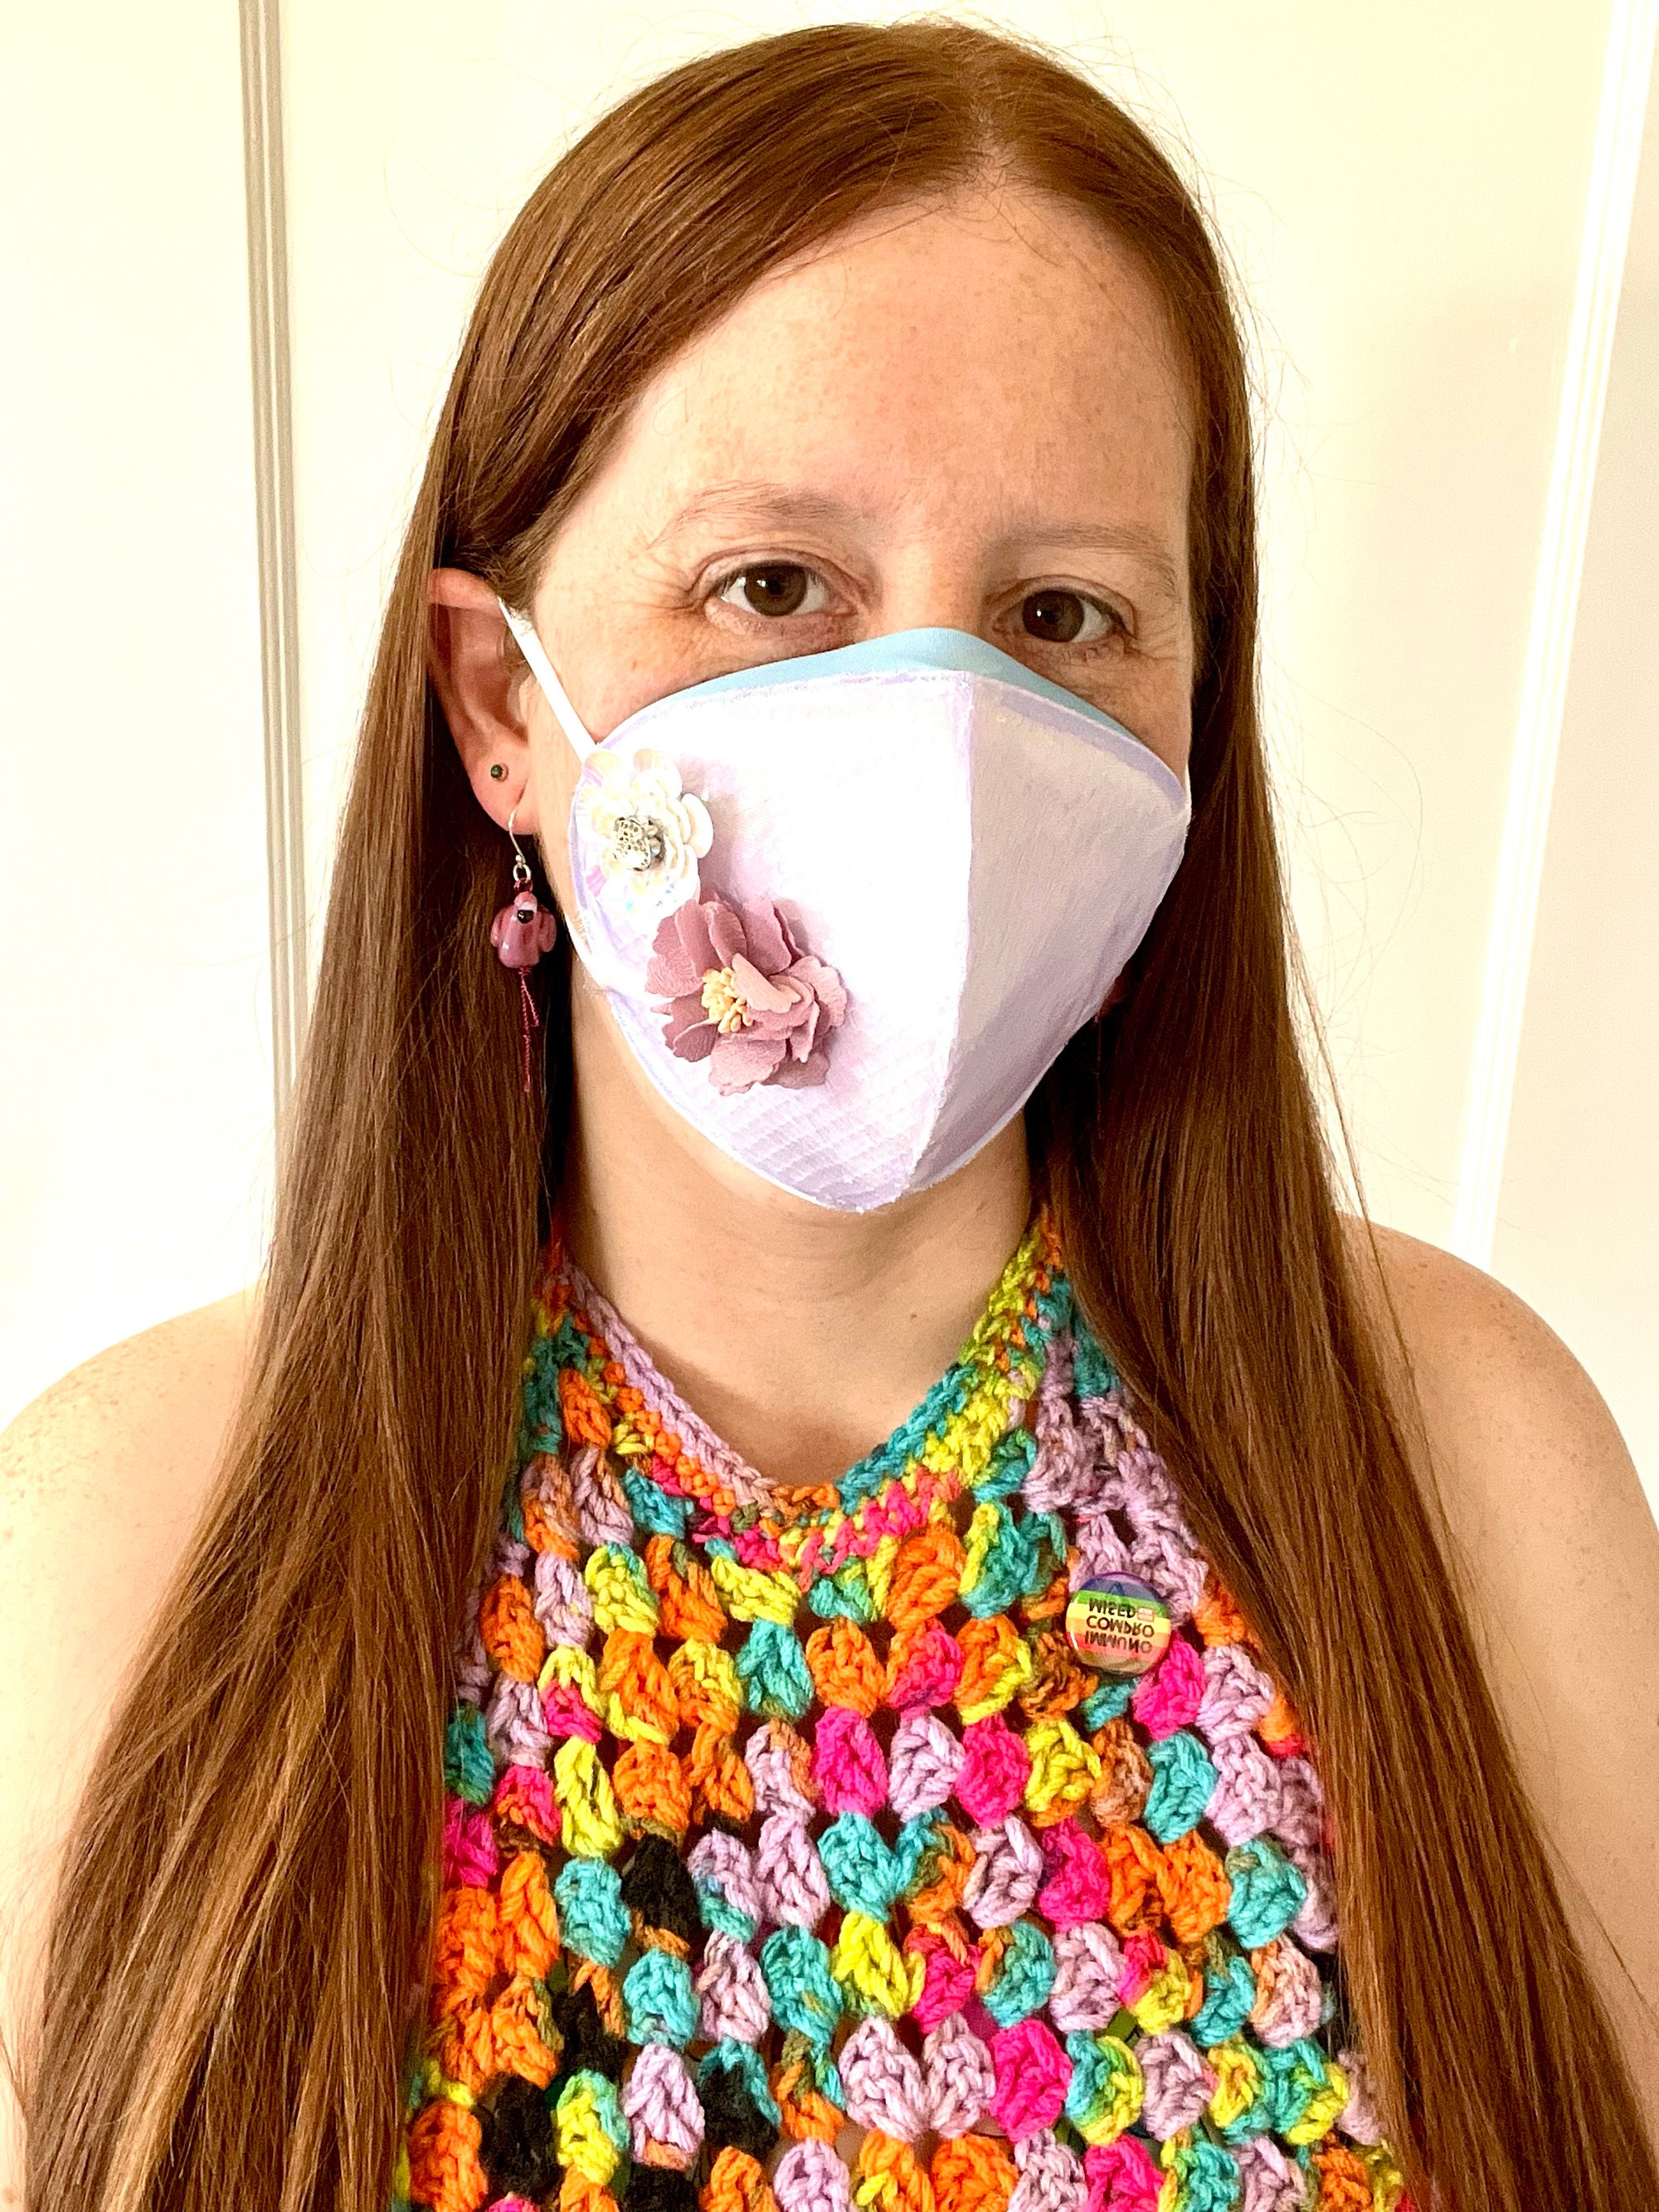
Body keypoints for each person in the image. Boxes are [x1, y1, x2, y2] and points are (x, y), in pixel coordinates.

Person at [2, 22, 1655, 2212]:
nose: (942, 735)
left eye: (1065, 615)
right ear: (502, 708)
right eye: (773, 585)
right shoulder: (124, 1550)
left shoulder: (1464, 1463)